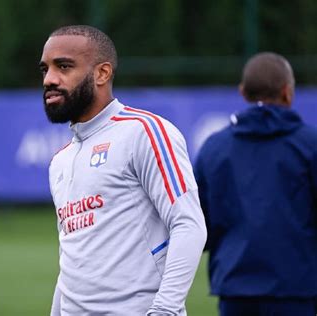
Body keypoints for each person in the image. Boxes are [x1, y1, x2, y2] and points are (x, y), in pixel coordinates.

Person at [39, 25, 207, 316]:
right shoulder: (60, 162)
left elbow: (189, 224)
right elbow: (71, 259)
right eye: (45, 69)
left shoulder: (144, 132)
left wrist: (165, 310)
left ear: (102, 73)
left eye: (64, 66)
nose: (50, 79)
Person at [194, 52, 317, 316]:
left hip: (235, 289)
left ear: (243, 92)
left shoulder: (214, 147)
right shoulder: (310, 145)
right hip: (297, 289)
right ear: (288, 92)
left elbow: (198, 224)